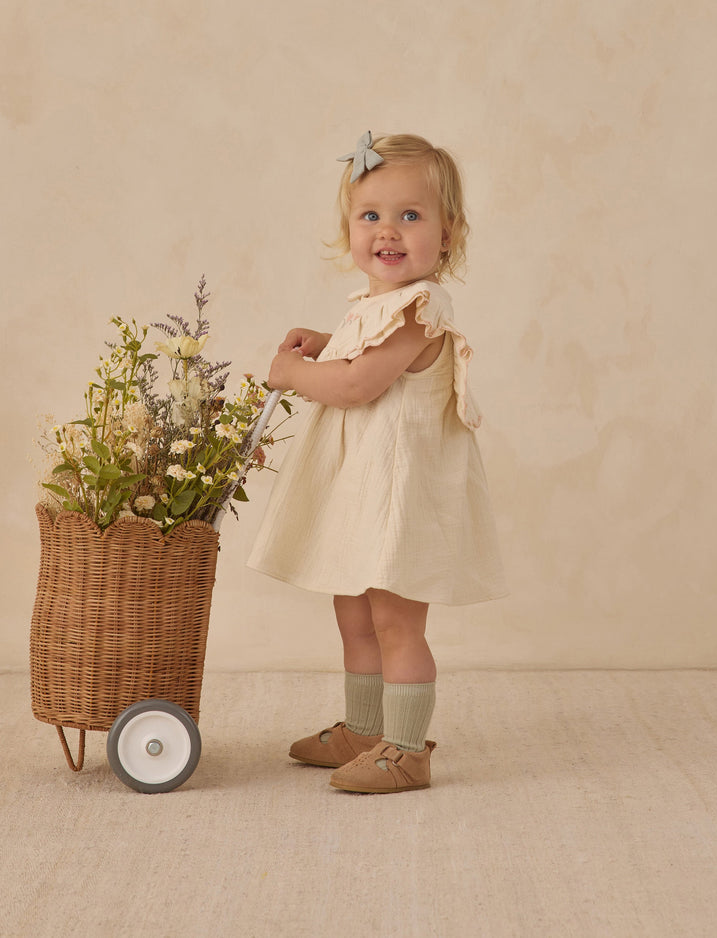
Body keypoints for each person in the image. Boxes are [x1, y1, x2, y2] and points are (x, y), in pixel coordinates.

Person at [248, 131, 506, 793]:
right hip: (363, 489)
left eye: (410, 215)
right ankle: (365, 730)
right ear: (350, 229)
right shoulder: (376, 308)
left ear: (447, 234)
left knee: (395, 620)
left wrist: (293, 372)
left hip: (399, 495)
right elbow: (362, 352)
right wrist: (327, 339)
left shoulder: (421, 308)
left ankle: (408, 749)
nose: (388, 231)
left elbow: (358, 383)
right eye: (371, 215)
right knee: (355, 613)